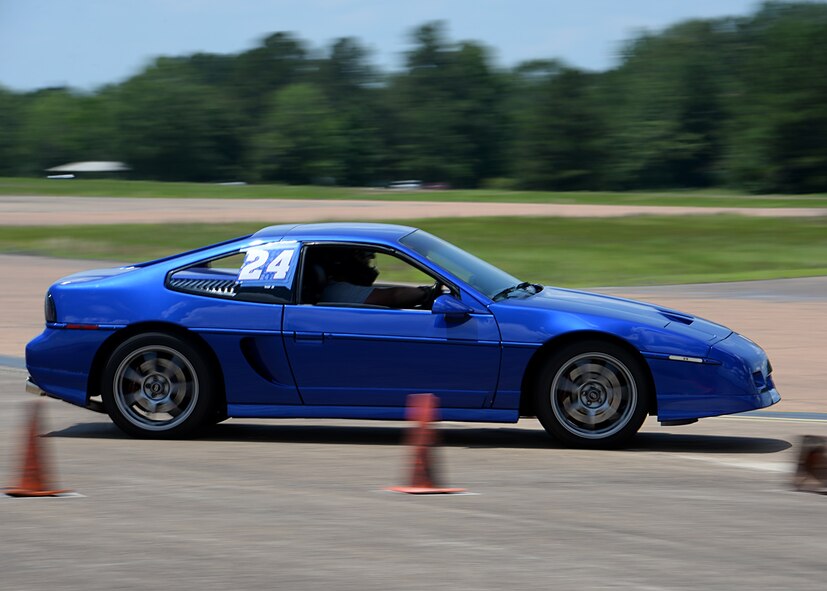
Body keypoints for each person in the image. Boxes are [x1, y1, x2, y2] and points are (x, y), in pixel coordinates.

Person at [318, 248, 436, 308]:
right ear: (345, 262)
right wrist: (426, 293)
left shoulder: (340, 287)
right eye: (365, 260)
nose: (370, 268)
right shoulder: (337, 291)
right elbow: (392, 296)